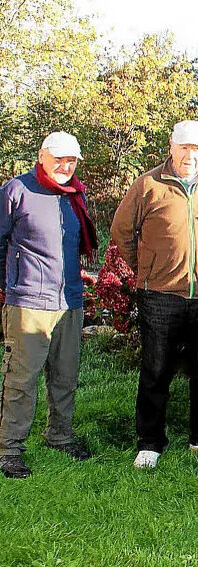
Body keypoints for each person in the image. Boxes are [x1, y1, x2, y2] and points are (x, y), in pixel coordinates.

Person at [111, 120, 198, 469]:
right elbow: (121, 231)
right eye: (184, 147)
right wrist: (147, 267)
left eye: (196, 148)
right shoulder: (148, 184)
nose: (190, 155)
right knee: (156, 368)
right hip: (160, 294)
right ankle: (150, 442)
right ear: (172, 147)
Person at [0, 132, 96, 478]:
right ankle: (9, 449)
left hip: (69, 299)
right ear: (41, 156)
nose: (65, 166)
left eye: (71, 160)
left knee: (65, 375)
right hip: (29, 301)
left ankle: (60, 435)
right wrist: (9, 284)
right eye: (58, 159)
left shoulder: (74, 194)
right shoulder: (17, 190)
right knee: (21, 379)